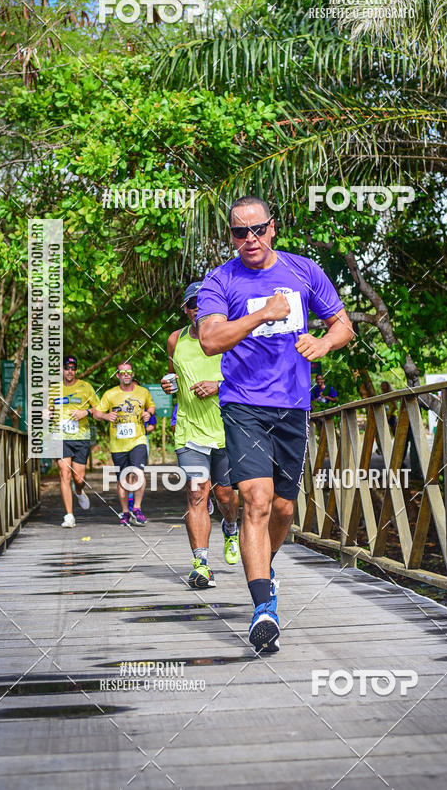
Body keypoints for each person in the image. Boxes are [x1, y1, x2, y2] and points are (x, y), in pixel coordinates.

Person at [197, 196, 353, 652]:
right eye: (239, 232)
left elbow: (343, 325)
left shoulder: (304, 271)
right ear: (230, 236)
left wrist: (324, 344)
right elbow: (210, 340)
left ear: (273, 228)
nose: (250, 239)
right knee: (257, 501)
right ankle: (264, 609)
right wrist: (262, 314)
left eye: (258, 229)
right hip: (244, 403)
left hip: (293, 406)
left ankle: (263, 568)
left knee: (284, 509)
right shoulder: (221, 280)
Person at [162, 280, 240, 589]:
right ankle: (201, 564)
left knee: (225, 496)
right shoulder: (175, 339)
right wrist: (169, 385)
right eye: (193, 305)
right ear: (185, 309)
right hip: (189, 430)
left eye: (205, 304)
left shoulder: (229, 335)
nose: (199, 310)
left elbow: (247, 378)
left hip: (225, 428)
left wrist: (218, 386)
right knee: (197, 493)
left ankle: (231, 527)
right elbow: (173, 376)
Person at [94, 361, 155, 526]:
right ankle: (125, 512)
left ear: (133, 374)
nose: (126, 375)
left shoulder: (143, 391)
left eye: (128, 372)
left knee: (139, 473)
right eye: (122, 373)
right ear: (117, 375)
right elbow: (96, 413)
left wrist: (148, 414)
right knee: (123, 479)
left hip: (138, 440)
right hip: (118, 444)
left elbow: (151, 406)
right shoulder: (110, 394)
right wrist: (106, 416)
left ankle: (137, 508)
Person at [47, 355, 99, 529]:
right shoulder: (54, 389)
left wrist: (86, 412)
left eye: (73, 368)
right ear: (61, 370)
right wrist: (46, 414)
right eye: (66, 368)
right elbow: (47, 410)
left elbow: (99, 408)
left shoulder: (85, 387)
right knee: (64, 472)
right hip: (60, 436)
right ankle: (69, 515)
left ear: (76, 370)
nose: (70, 371)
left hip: (80, 436)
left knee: (79, 478)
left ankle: (79, 491)